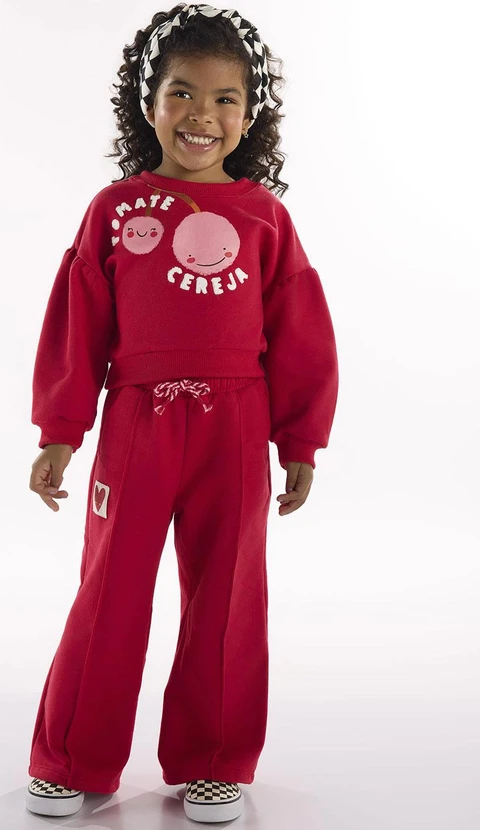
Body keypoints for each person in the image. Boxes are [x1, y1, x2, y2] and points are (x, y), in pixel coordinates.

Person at [24, 3, 339, 823]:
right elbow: (78, 324)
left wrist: (300, 440)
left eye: (225, 98)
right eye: (182, 92)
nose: (202, 114)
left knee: (229, 596)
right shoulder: (114, 209)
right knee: (110, 589)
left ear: (250, 113)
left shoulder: (266, 217)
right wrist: (60, 432)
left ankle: (213, 760)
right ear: (148, 101)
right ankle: (74, 757)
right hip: (137, 422)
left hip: (237, 425)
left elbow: (300, 332)